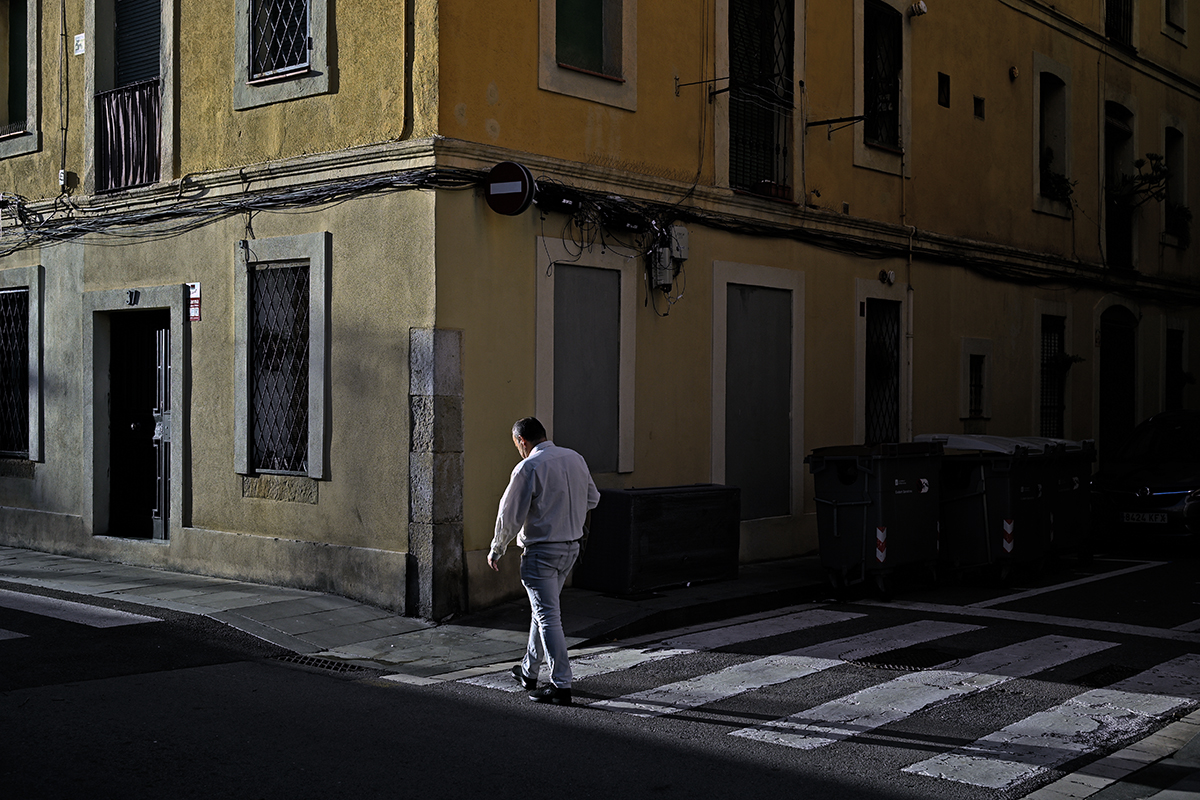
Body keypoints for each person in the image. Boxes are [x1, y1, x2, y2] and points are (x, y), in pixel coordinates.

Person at [488, 417, 599, 705]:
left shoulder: (529, 467)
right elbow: (592, 499)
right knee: (543, 611)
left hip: (541, 552)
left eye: (517, 446)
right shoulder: (575, 458)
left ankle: (561, 684)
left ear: (522, 441)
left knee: (548, 616)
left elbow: (509, 513)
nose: (519, 451)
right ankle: (528, 671)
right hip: (570, 548)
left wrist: (497, 548)